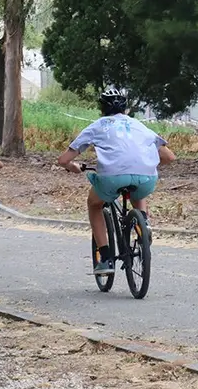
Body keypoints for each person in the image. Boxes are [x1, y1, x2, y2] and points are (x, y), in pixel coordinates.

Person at [57, 89, 176, 275]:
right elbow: (169, 157)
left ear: (101, 108)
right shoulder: (139, 125)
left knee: (94, 204)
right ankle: (143, 223)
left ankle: (105, 258)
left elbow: (63, 160)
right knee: (138, 190)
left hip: (111, 177)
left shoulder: (97, 126)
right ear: (125, 108)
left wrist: (74, 167)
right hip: (146, 178)